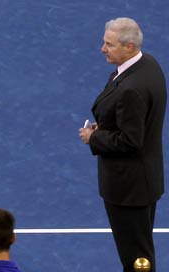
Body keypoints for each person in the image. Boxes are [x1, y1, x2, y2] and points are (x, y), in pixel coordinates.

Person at [79, 18, 165, 272]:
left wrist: (93, 137)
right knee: (140, 253)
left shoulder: (131, 88)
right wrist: (106, 126)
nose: (102, 49)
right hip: (143, 181)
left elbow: (130, 141)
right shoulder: (148, 64)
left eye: (109, 44)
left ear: (129, 46)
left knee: (136, 260)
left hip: (129, 190)